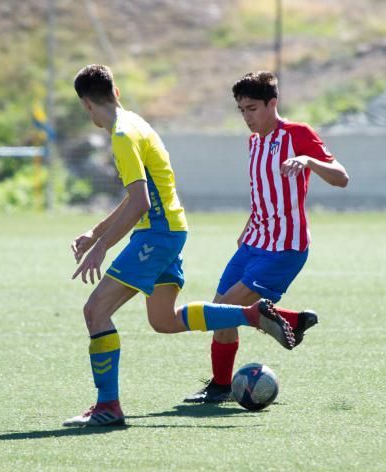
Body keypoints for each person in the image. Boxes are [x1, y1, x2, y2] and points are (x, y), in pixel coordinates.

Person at [64, 64, 307, 427]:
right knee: (164, 320)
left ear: (86, 104)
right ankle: (252, 315)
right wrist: (96, 234)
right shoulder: (136, 123)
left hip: (157, 234)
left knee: (95, 311)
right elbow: (139, 195)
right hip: (170, 230)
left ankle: (108, 406)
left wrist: (101, 247)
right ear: (115, 92)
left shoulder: (121, 135)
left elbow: (139, 203)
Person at [184, 71, 350, 404]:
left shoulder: (298, 134)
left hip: (284, 248)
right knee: (220, 310)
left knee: (227, 308)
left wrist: (308, 160)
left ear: (272, 103)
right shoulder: (254, 140)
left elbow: (342, 178)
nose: (247, 117)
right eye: (241, 110)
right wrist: (248, 226)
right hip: (254, 242)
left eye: (253, 108)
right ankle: (223, 382)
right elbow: (264, 191)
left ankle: (284, 324)